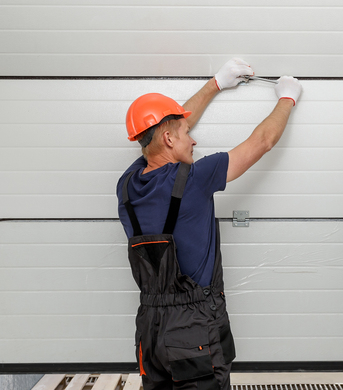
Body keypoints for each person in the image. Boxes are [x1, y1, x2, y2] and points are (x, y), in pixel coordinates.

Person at [117, 58, 302, 390]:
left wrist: (216, 83)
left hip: (150, 328)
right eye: (188, 134)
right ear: (170, 139)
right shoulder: (195, 179)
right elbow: (262, 141)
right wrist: (287, 98)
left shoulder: (128, 185)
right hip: (194, 327)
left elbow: (162, 131)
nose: (194, 140)